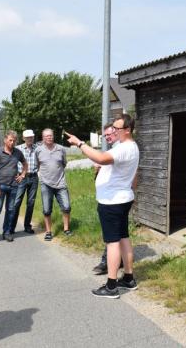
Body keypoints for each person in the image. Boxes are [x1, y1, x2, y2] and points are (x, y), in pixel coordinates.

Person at [65, 114, 140, 299]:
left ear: (127, 130)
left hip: (112, 202)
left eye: (117, 128)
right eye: (113, 128)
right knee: (123, 238)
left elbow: (101, 157)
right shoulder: (129, 147)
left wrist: (79, 143)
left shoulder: (124, 149)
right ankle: (128, 278)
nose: (114, 131)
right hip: (121, 199)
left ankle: (111, 285)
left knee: (112, 243)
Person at [92, 123, 124, 275]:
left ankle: (107, 264)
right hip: (109, 197)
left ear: (117, 132)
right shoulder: (112, 150)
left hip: (115, 200)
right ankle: (119, 260)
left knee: (112, 235)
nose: (107, 138)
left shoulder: (121, 150)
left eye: (109, 134)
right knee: (117, 233)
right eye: (105, 136)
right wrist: (98, 170)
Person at [0, 131, 27, 243]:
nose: (12, 142)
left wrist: (23, 175)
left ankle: (7, 232)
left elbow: (25, 163)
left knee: (10, 210)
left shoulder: (18, 153)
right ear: (5, 140)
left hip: (14, 186)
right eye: (10, 140)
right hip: (1, 186)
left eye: (14, 140)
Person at [35, 128, 72, 241]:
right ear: (43, 138)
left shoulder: (60, 149)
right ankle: (48, 232)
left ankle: (66, 229)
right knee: (47, 209)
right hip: (46, 184)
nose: (49, 137)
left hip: (60, 183)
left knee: (66, 207)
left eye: (50, 135)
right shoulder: (38, 150)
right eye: (46, 136)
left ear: (53, 136)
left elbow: (64, 163)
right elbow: (38, 165)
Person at [10, 129, 39, 235]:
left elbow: (40, 161)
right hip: (21, 178)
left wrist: (38, 172)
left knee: (31, 203)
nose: (30, 139)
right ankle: (11, 227)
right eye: (27, 137)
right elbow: (12, 162)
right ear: (23, 138)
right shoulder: (18, 149)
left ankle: (27, 226)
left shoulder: (37, 148)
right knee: (17, 203)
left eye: (31, 137)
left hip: (34, 177)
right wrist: (16, 174)